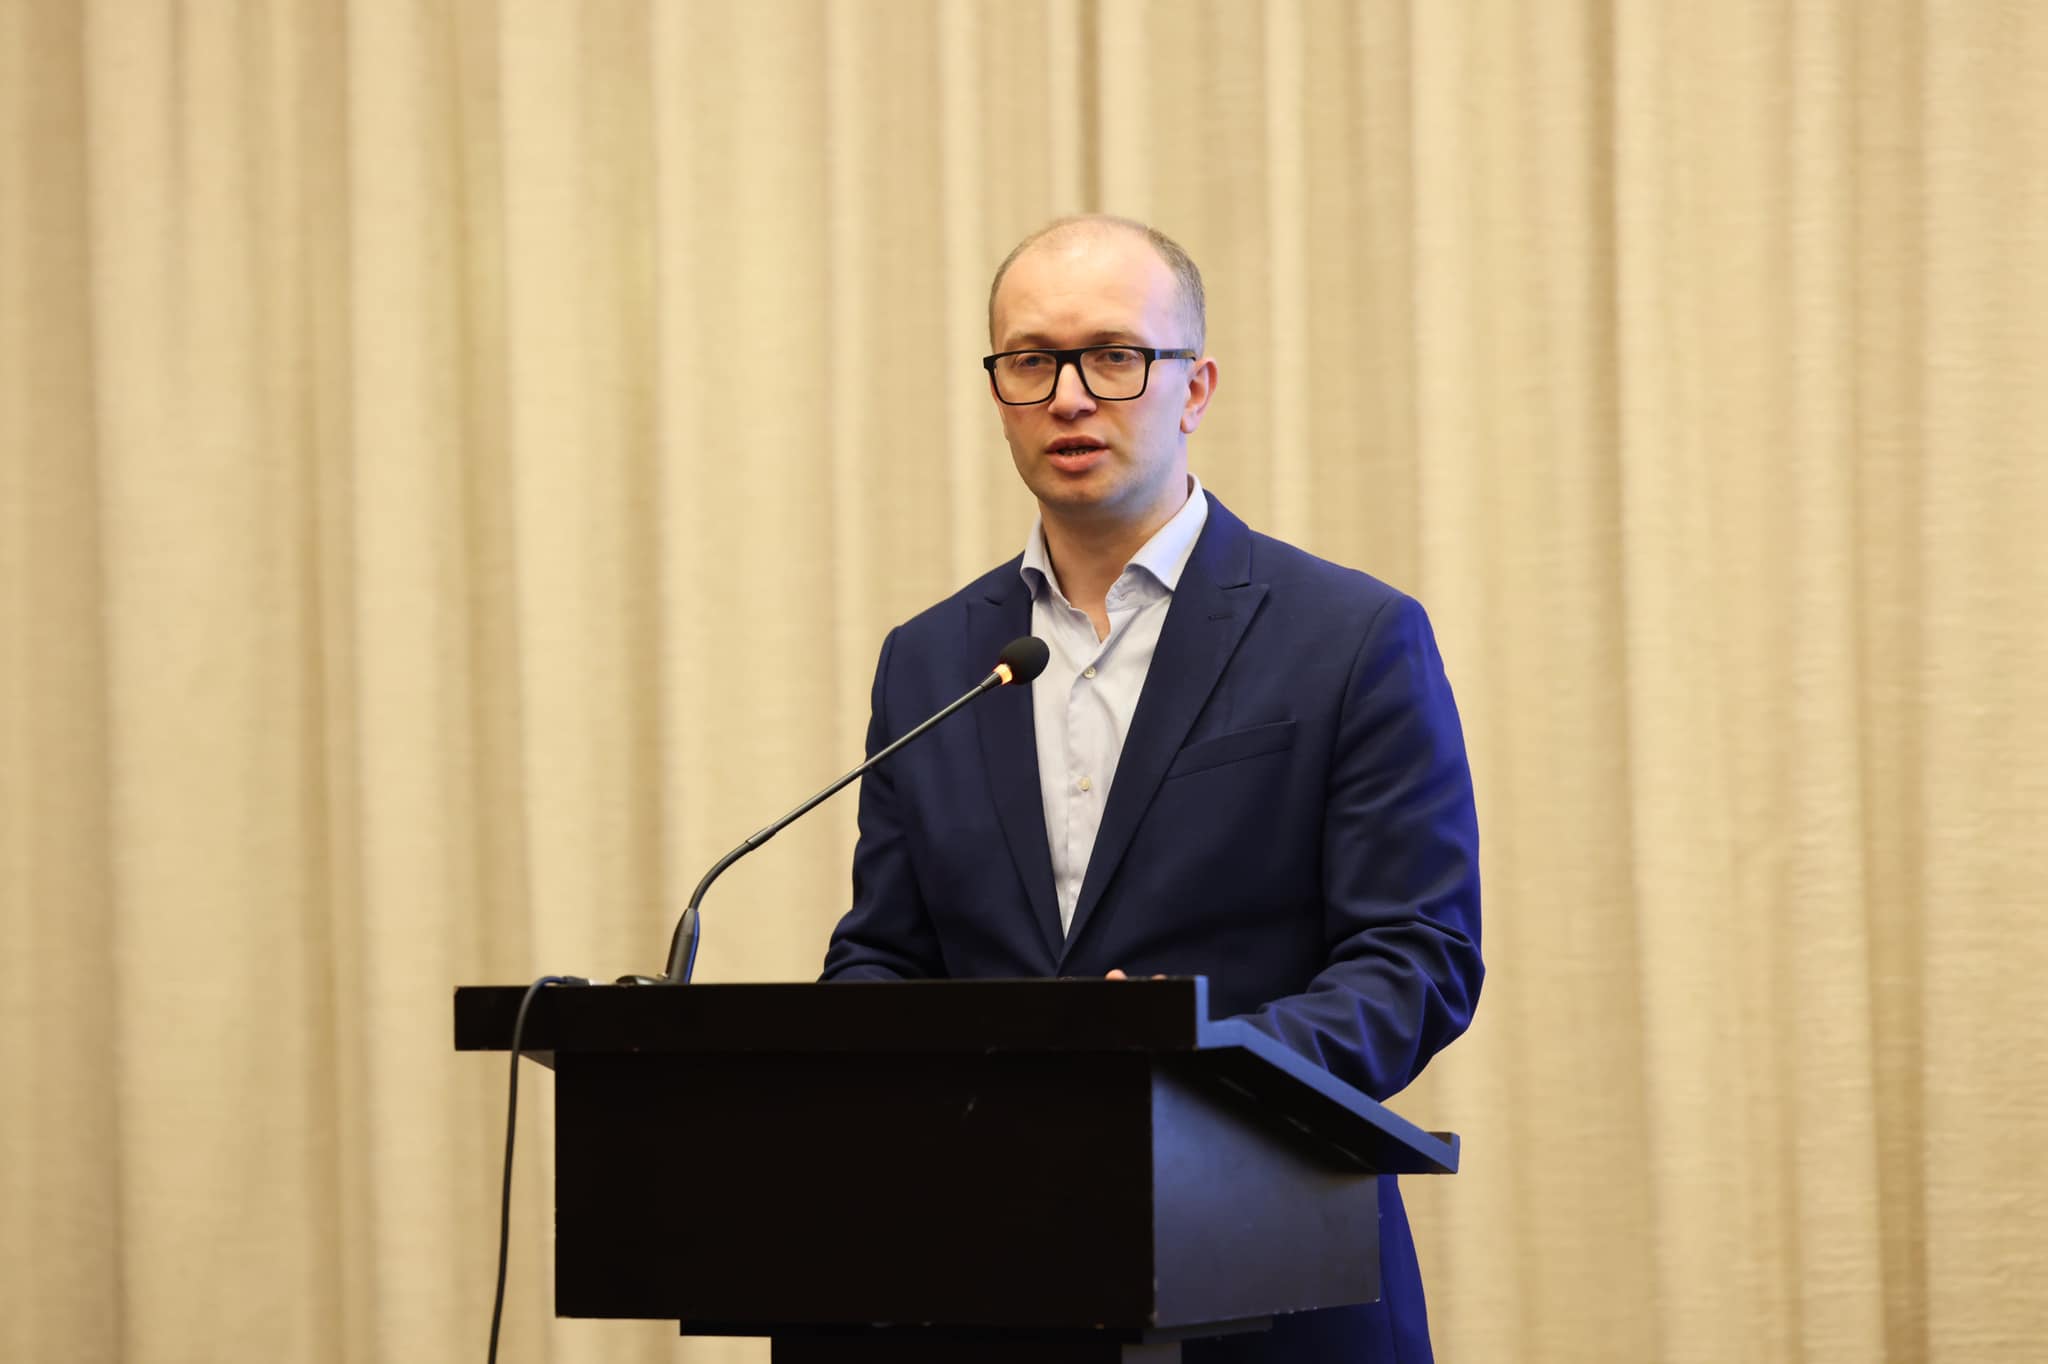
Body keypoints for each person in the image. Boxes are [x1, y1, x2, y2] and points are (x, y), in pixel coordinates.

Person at [822, 215, 1483, 1363]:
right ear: (997, 391)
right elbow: (883, 954)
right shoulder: (930, 661)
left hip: (1273, 1276)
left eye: (1114, 355)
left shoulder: (1348, 636)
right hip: (983, 1284)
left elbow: (1415, 955)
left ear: (1195, 388)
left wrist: (1196, 1062)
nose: (1069, 396)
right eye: (1031, 360)